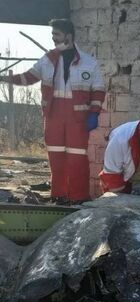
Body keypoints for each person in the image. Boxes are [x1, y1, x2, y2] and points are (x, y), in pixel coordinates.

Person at [0, 19, 105, 204]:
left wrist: (94, 113)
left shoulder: (89, 63)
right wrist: (6, 78)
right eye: (52, 35)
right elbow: (28, 78)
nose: (53, 38)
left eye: (56, 34)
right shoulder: (47, 60)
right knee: (56, 158)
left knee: (77, 159)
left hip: (77, 119)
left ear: (68, 36)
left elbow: (98, 90)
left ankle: (79, 198)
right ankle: (60, 196)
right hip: (53, 115)